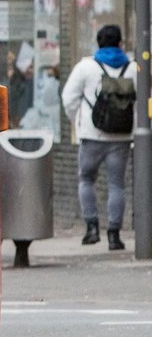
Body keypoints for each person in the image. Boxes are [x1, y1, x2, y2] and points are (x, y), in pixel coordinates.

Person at [61, 24, 138, 250]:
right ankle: (114, 236)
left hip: (91, 136)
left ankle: (92, 228)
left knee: (86, 179)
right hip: (122, 137)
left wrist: (78, 121)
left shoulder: (86, 67)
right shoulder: (133, 68)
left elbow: (68, 98)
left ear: (98, 42)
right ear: (120, 43)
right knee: (117, 185)